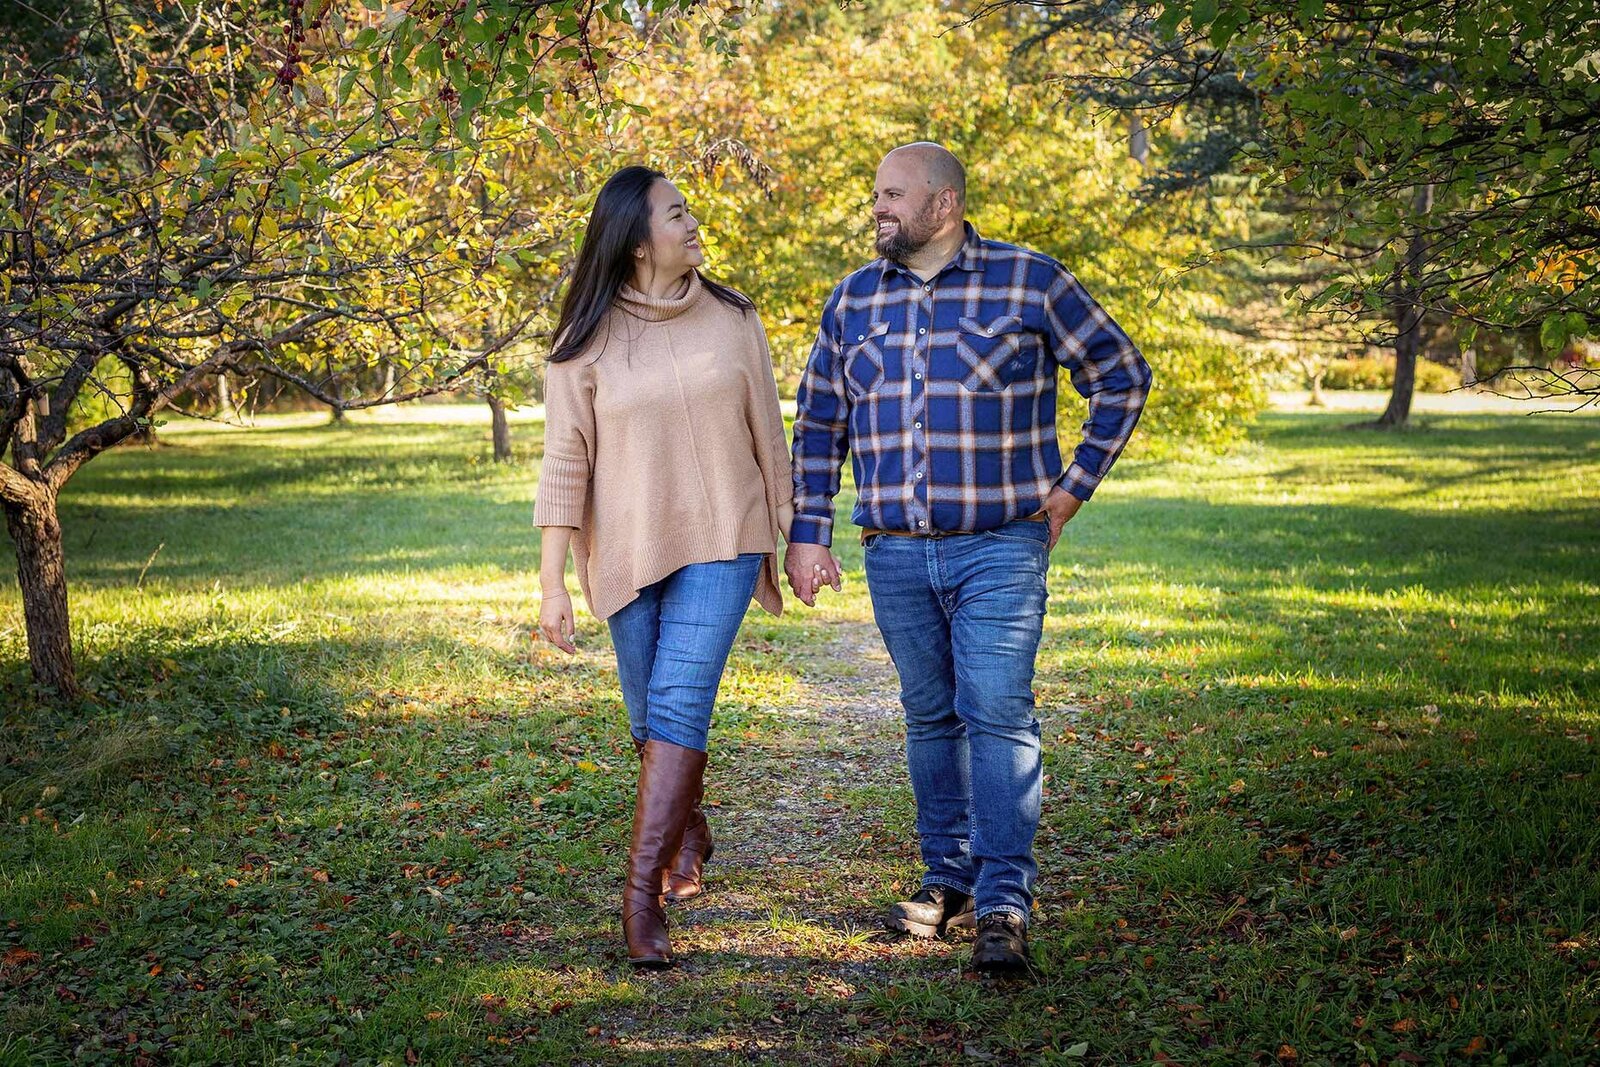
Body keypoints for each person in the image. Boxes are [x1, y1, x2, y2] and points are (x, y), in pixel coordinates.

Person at [785, 143, 1152, 975]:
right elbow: (818, 425)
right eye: (875, 193)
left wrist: (1072, 490)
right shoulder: (852, 301)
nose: (877, 208)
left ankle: (1002, 902)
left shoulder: (1029, 282)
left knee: (996, 708)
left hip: (1001, 545)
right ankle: (946, 879)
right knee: (929, 714)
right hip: (896, 552)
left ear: (943, 204)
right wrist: (810, 531)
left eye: (892, 194)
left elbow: (1121, 375)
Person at [534, 165, 792, 968]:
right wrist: (550, 582)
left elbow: (768, 433)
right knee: (650, 716)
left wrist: (788, 537)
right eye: (676, 215)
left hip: (724, 533)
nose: (693, 224)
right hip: (629, 548)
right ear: (638, 241)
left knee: (679, 700)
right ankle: (689, 826)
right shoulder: (586, 342)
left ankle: (639, 900)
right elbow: (564, 464)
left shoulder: (732, 317)